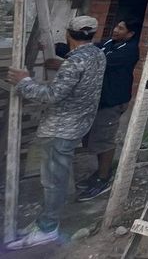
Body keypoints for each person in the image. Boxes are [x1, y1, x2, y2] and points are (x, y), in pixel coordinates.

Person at [4, 16, 106, 250]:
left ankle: (48, 229)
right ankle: (44, 222)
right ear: (92, 34)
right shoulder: (98, 55)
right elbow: (80, 72)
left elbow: (52, 95)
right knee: (55, 178)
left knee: (53, 181)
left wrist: (24, 81)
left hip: (61, 129)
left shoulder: (74, 62)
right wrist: (61, 64)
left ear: (68, 34)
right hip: (78, 124)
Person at [75, 17, 141, 201]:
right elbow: (88, 50)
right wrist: (63, 48)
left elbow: (96, 62)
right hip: (99, 101)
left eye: (121, 28)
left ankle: (103, 179)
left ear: (130, 34)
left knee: (104, 140)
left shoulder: (128, 51)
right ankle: (99, 173)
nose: (116, 30)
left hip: (113, 101)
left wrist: (67, 61)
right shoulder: (108, 43)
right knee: (94, 139)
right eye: (116, 26)